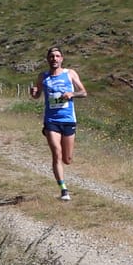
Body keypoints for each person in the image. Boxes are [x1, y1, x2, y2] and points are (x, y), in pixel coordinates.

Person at [30, 46, 88, 200]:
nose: (54, 59)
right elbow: (37, 95)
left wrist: (72, 94)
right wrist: (34, 93)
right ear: (48, 59)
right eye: (51, 56)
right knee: (56, 153)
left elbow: (84, 92)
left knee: (67, 159)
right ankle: (64, 190)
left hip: (68, 120)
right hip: (51, 121)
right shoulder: (43, 76)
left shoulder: (70, 74)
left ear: (61, 58)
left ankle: (64, 176)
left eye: (57, 56)